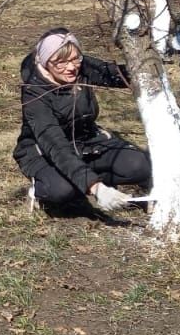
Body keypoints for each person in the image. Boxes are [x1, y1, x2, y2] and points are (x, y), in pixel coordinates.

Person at [13, 27, 150, 214]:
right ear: (45, 63)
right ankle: (39, 191)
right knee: (63, 191)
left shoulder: (81, 67)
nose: (70, 67)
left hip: (88, 142)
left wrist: (150, 67)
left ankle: (87, 178)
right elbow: (56, 145)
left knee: (140, 165)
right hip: (45, 151)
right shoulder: (34, 93)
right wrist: (96, 188)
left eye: (75, 59)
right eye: (60, 63)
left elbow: (113, 74)